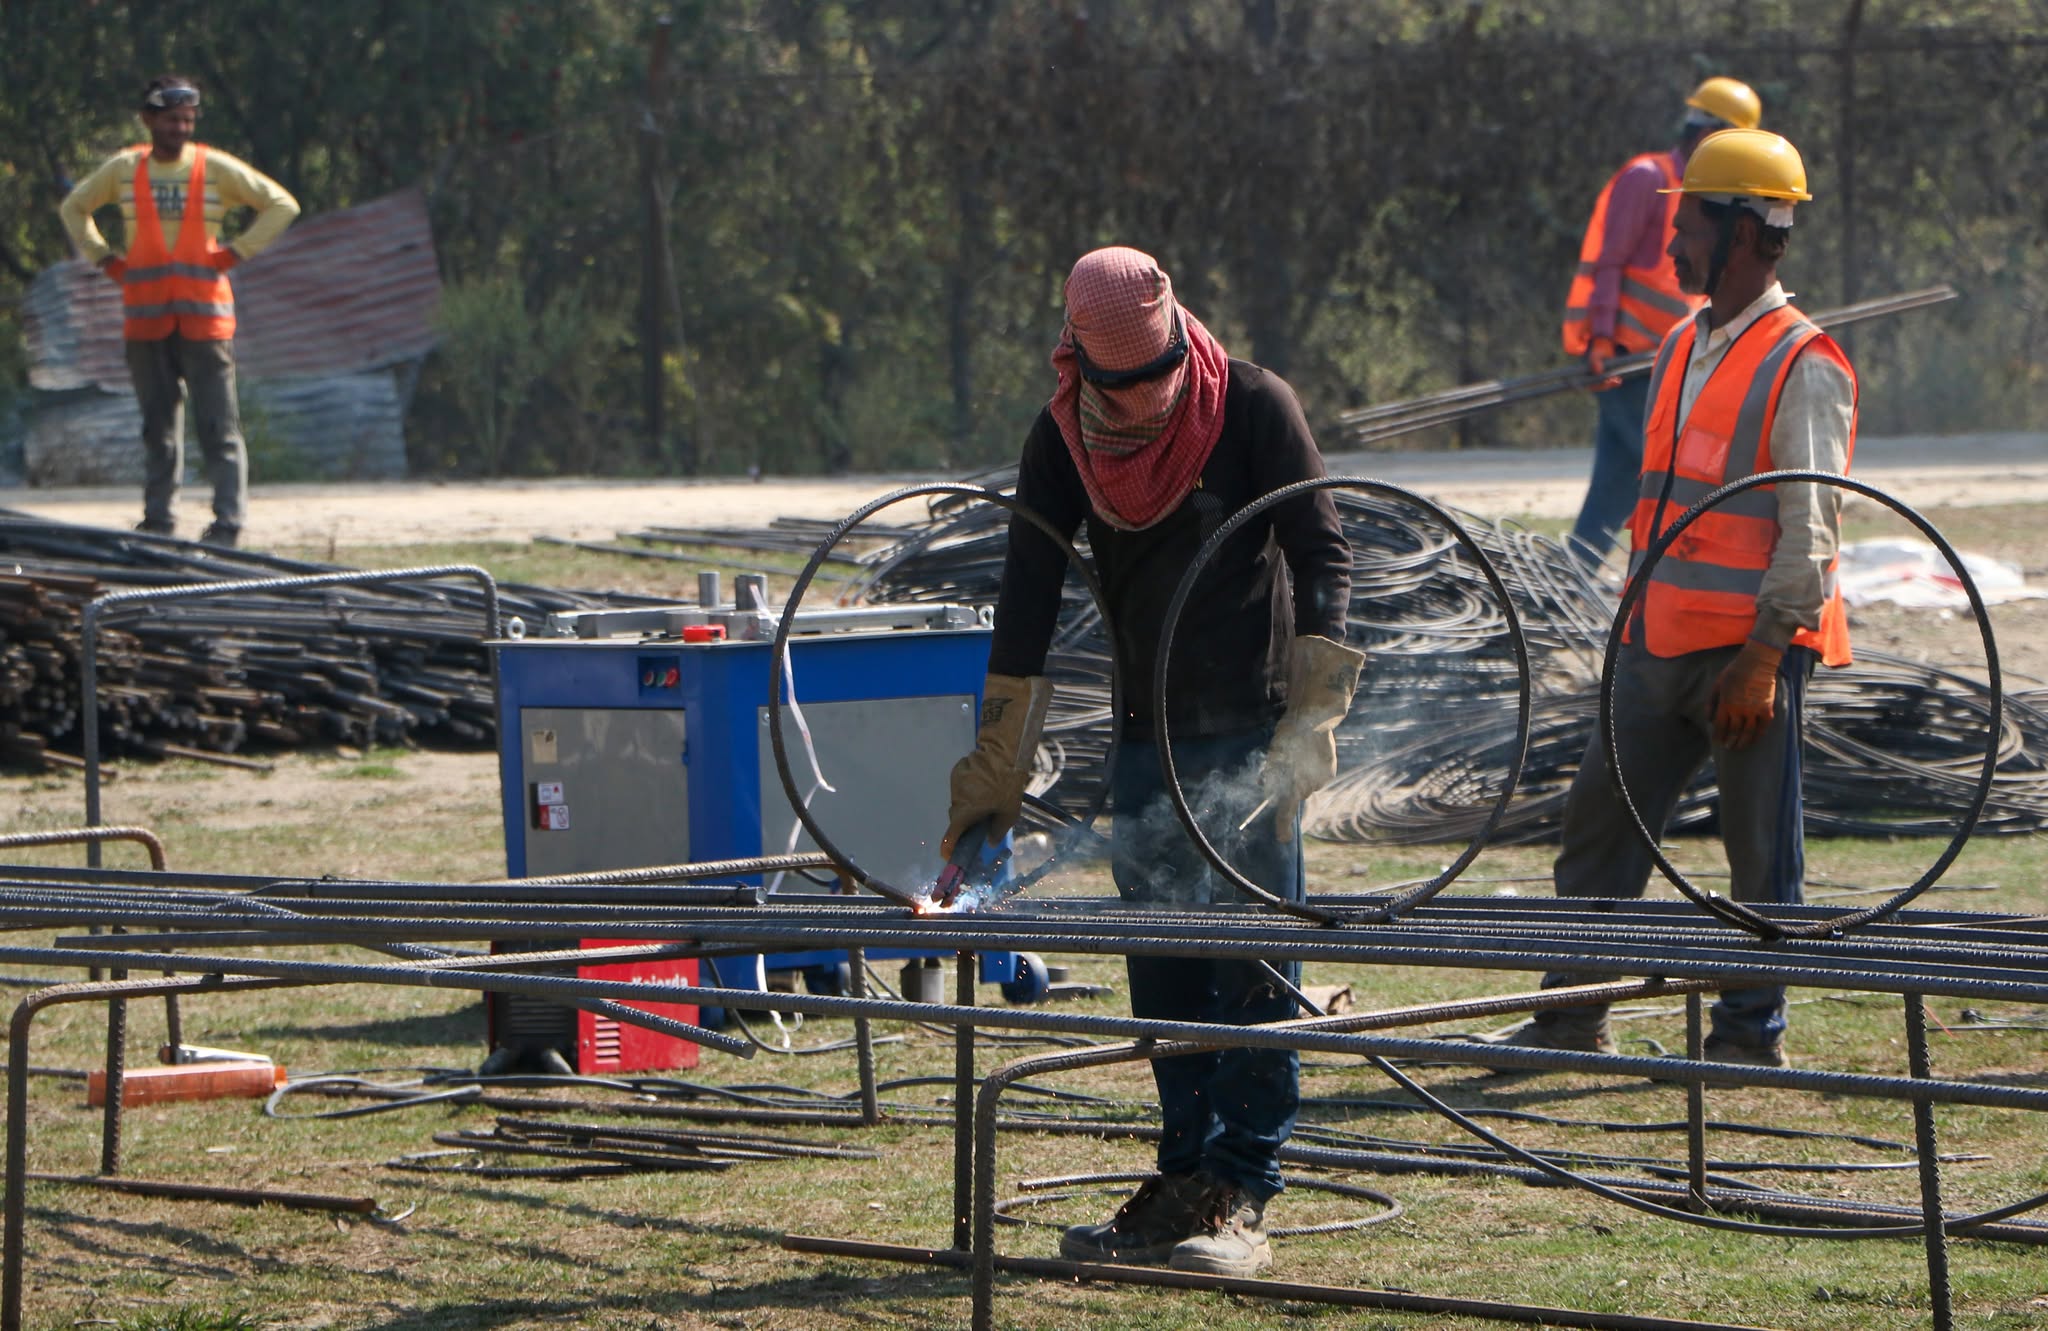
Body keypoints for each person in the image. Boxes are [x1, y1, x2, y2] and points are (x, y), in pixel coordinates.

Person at [941, 247, 1357, 1277]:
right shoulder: (1063, 437)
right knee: (1163, 970)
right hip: (1144, 741)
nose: (1147, 399)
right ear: (1080, 366)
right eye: (1120, 386)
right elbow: (1027, 595)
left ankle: (1242, 1186)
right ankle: (1181, 1175)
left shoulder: (1253, 405)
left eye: (1158, 373)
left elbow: (1323, 552)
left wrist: (1310, 712)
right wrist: (994, 773)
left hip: (1249, 735)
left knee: (1250, 967)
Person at [1519, 129, 1856, 1068]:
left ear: (1744, 231)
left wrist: (1760, 658)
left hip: (1748, 652)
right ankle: (1571, 1018)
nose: (1672, 250)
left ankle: (1751, 1035)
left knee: (1759, 856)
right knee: (1598, 830)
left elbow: (1811, 526)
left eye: (1690, 228)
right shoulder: (1678, 344)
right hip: (1657, 641)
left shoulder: (1804, 362)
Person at [59, 75, 300, 548]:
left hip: (205, 321)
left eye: (187, 120)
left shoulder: (213, 168)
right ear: (148, 119)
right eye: (171, 119)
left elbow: (281, 204)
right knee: (157, 427)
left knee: (219, 426)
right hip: (146, 319)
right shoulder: (126, 168)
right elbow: (73, 208)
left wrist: (238, 252)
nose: (180, 128)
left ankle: (227, 524)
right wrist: (104, 259)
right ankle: (158, 521)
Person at [1561, 77, 1760, 566]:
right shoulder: (1646, 177)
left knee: (1617, 481)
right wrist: (1602, 340)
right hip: (1625, 360)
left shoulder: (1699, 194)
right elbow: (1611, 262)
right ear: (1709, 133)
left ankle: (1565, 584)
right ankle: (1683, 576)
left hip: (1660, 361)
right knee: (1668, 473)